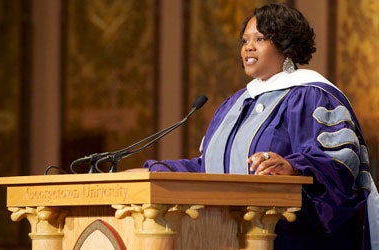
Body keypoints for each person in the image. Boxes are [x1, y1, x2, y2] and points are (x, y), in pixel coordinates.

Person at [143, 3, 378, 250]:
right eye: (245, 40)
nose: (248, 47)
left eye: (260, 38)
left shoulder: (311, 96)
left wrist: (293, 167)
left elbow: (338, 164)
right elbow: (210, 169)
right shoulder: (234, 104)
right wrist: (155, 173)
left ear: (285, 45)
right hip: (222, 236)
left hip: (288, 238)